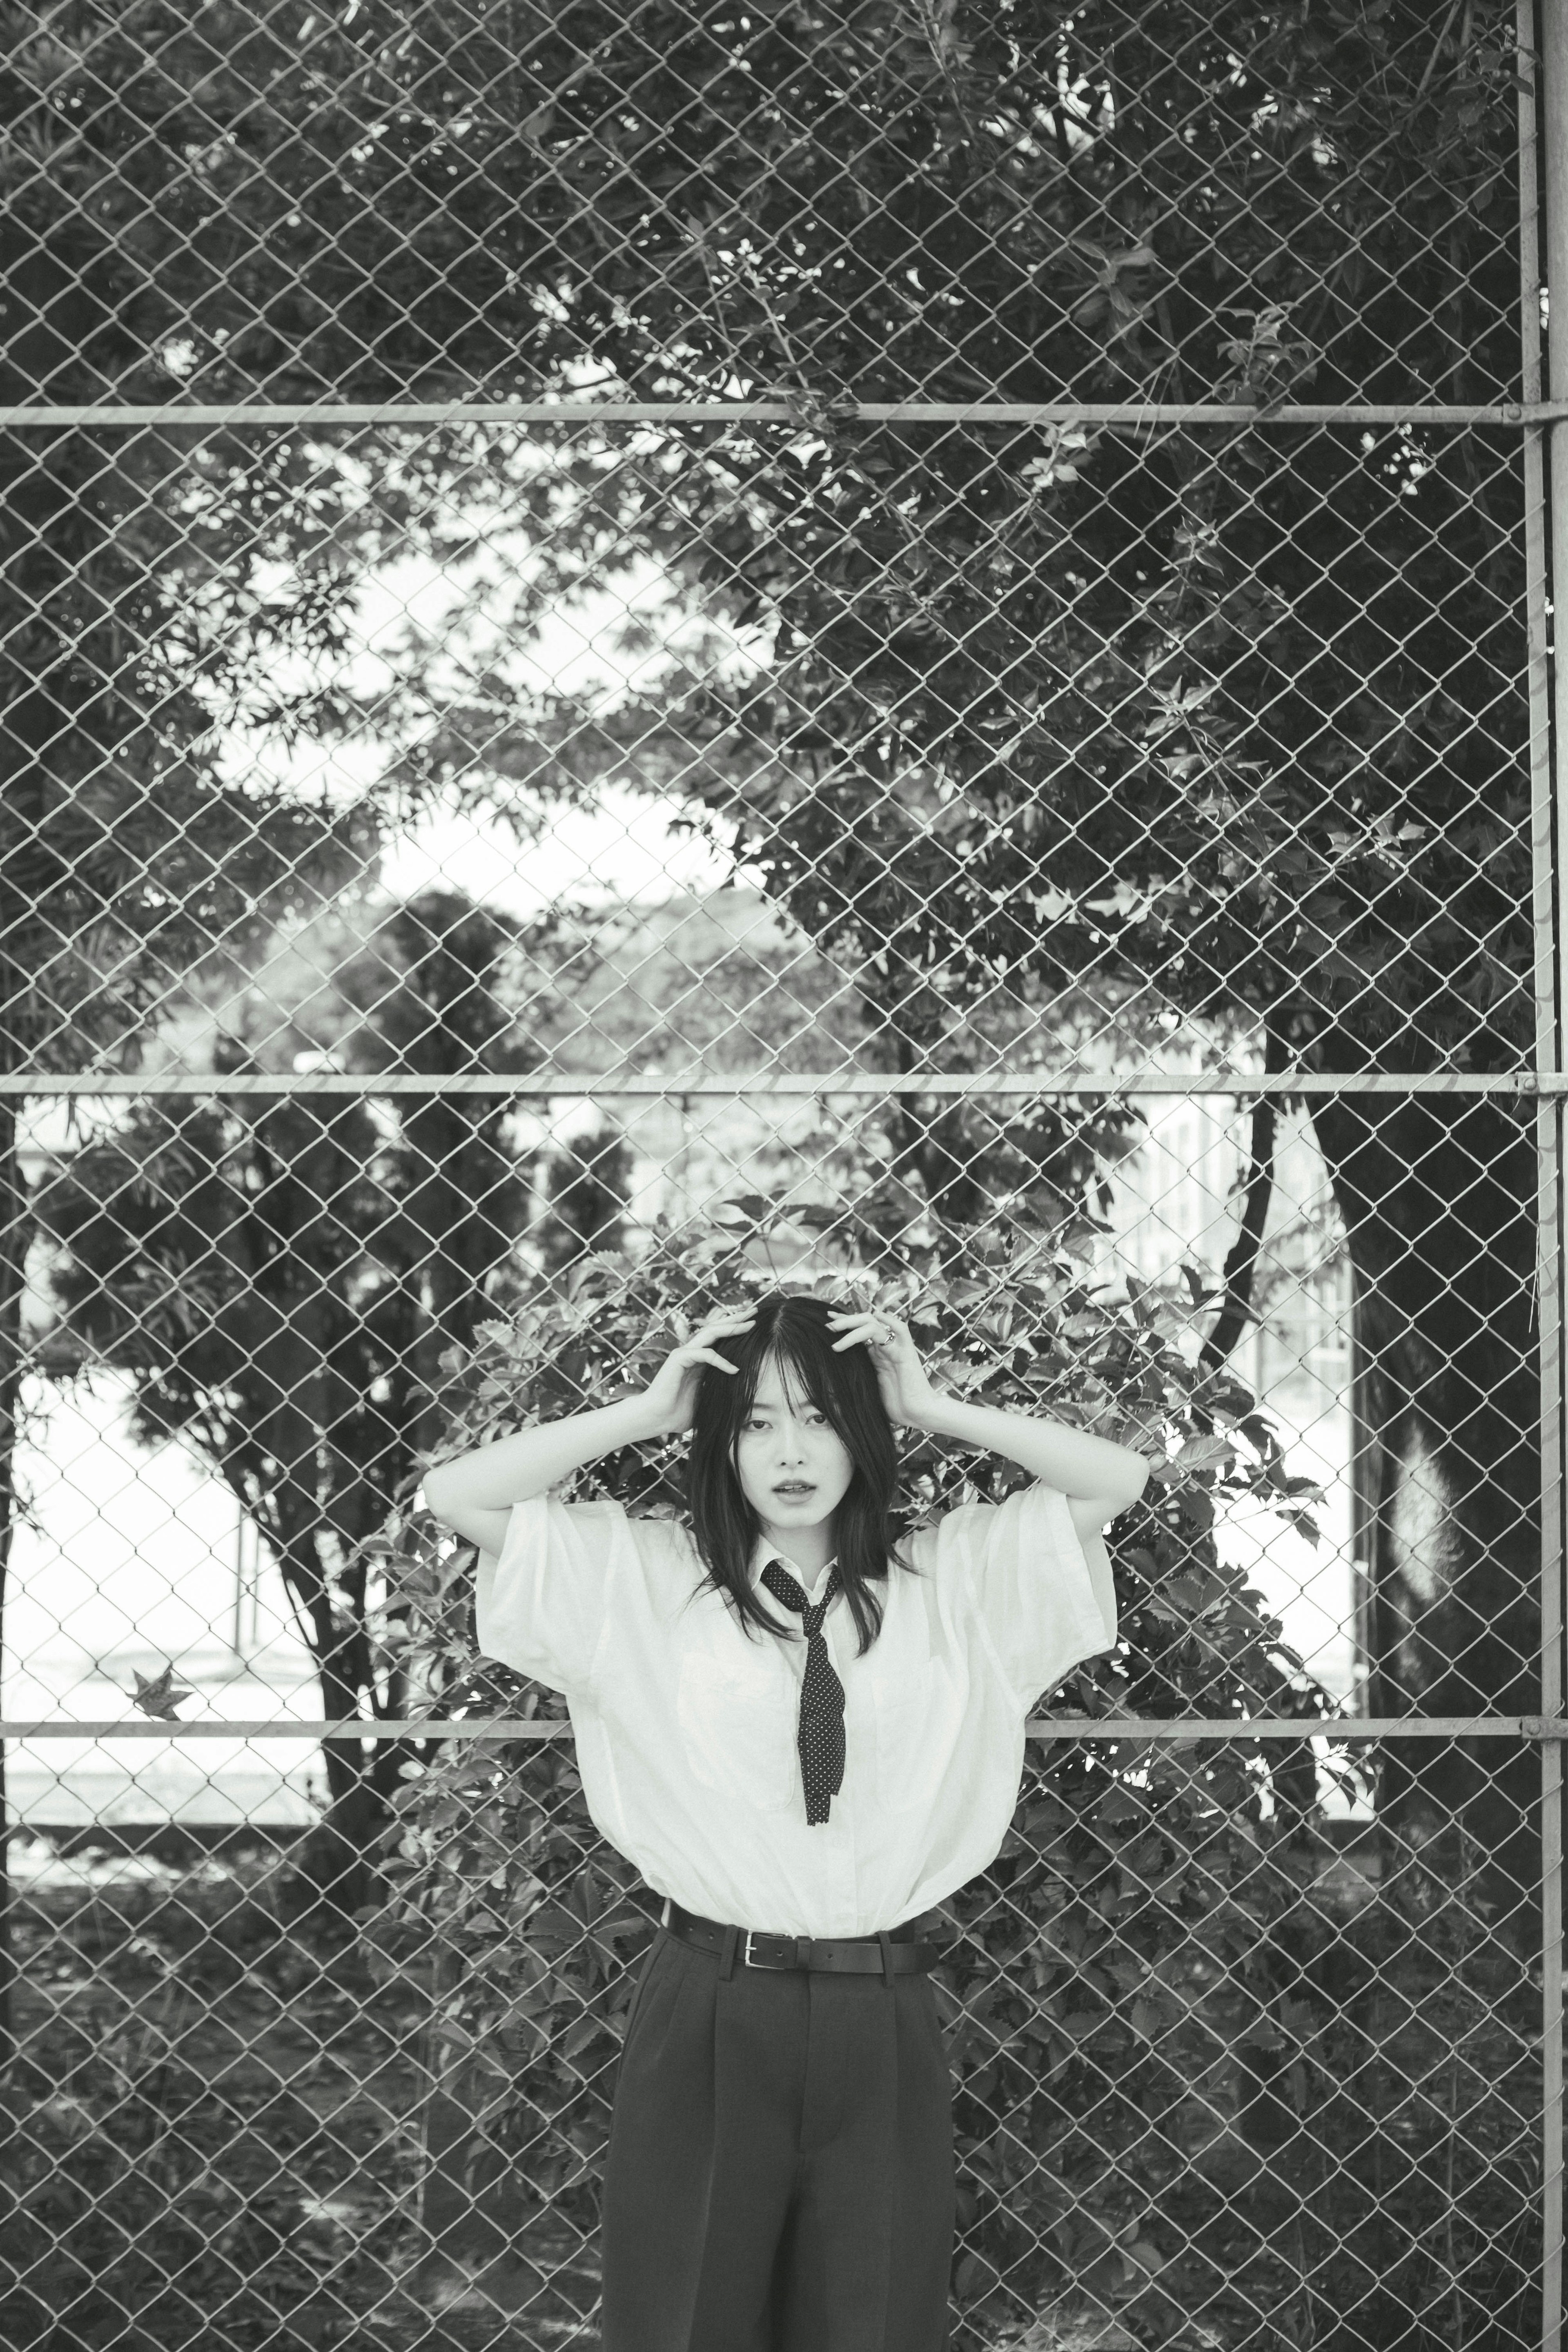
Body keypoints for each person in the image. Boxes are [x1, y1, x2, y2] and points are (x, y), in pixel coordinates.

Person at [423, 1291, 1150, 2352]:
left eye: (820, 1416)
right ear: (720, 1442)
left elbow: (1116, 1481)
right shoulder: (647, 1577)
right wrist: (645, 1408)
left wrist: (933, 1404)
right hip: (713, 2004)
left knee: (877, 2324)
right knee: (688, 2324)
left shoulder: (951, 1582)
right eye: (756, 1422)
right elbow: (456, 1497)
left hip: (880, 2008)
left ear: (864, 1430)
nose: (791, 1451)